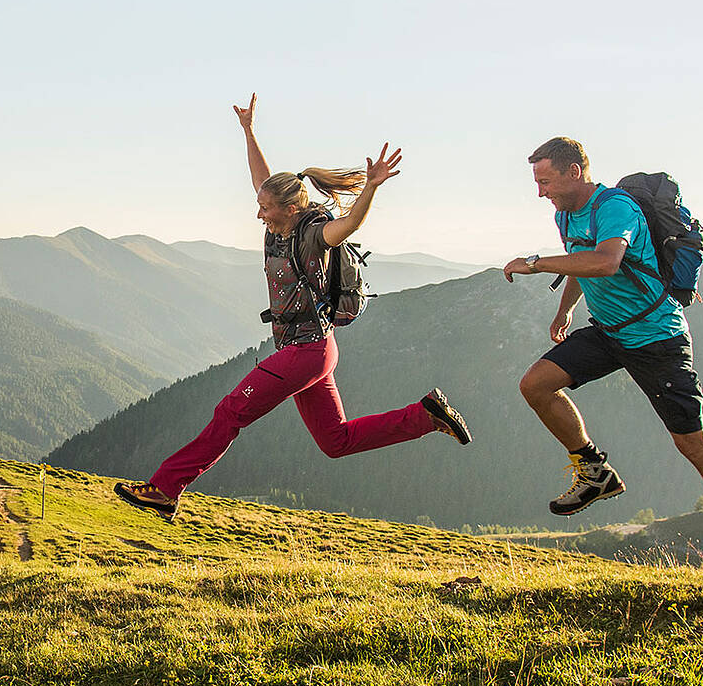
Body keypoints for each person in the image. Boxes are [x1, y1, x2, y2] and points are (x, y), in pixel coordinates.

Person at [115, 94, 471, 519]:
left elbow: (349, 225)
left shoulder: (312, 234)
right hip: (309, 350)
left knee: (230, 412)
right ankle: (426, 416)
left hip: (307, 351)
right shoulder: (277, 222)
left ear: (290, 208)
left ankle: (164, 489)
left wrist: (371, 188)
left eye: (265, 208)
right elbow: (262, 180)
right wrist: (249, 132)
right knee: (335, 441)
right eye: (260, 206)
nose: (258, 214)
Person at [502, 136, 703, 598]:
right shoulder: (565, 213)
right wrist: (565, 310)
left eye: (546, 181)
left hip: (656, 338)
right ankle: (594, 471)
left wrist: (534, 264)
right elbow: (580, 262)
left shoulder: (616, 207)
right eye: (537, 183)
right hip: (609, 331)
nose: (541, 192)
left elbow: (606, 261)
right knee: (536, 385)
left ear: (575, 171)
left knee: (692, 442)